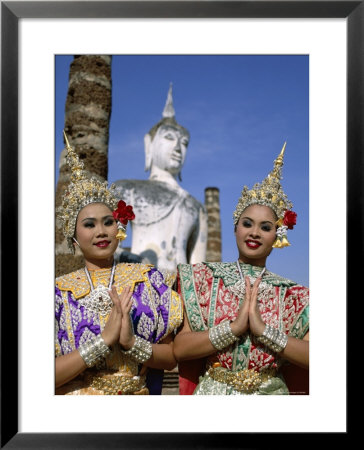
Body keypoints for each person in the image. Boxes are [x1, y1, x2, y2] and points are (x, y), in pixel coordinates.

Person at [174, 143, 309, 395]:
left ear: (277, 236)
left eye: (266, 227)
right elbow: (179, 349)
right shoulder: (202, 278)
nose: (255, 233)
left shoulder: (295, 295)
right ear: (236, 227)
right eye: (247, 224)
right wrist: (234, 328)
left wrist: (264, 332)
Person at [55, 131, 183, 395]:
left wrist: (131, 342)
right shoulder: (58, 293)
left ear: (119, 227)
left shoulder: (148, 279)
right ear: (74, 238)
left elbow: (170, 356)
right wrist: (103, 342)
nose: (101, 231)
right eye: (89, 225)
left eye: (108, 222)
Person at [113, 84, 207, 273]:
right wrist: (128, 258)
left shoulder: (196, 207)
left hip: (179, 289)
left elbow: (198, 268)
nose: (179, 148)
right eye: (170, 138)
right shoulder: (127, 189)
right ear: (149, 144)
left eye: (184, 143)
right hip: (137, 280)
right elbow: (106, 246)